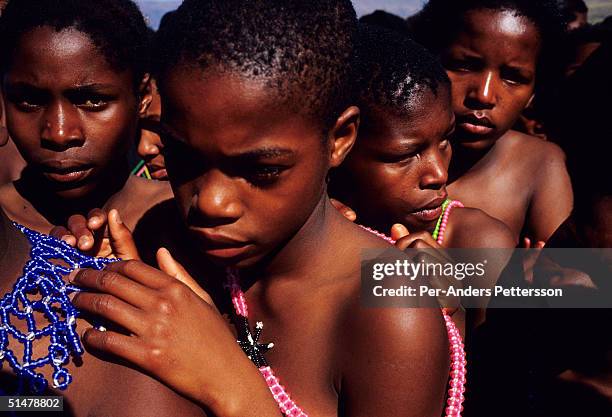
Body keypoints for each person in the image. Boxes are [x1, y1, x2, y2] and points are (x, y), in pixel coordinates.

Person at [62, 1, 458, 416]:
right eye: (185, 157)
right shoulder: (167, 242)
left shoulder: (390, 307)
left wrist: (228, 381)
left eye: (261, 169)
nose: (211, 203)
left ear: (339, 139)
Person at [0, 0, 171, 245]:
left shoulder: (194, 227)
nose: (59, 134)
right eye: (29, 101)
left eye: (92, 100)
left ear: (142, 97)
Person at [410, 0, 573, 244]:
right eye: (464, 66)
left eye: (513, 77)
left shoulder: (541, 164)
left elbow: (565, 274)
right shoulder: (378, 151)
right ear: (427, 60)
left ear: (533, 93)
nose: (484, 95)